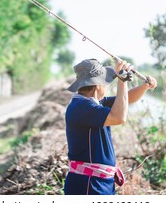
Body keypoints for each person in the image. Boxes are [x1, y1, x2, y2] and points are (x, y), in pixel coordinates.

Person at [64, 58, 157, 195]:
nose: (107, 86)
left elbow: (127, 99)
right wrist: (122, 80)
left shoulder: (94, 103)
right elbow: (119, 117)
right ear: (97, 86)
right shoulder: (82, 108)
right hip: (88, 185)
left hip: (99, 183)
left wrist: (144, 87)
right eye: (105, 82)